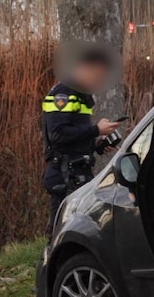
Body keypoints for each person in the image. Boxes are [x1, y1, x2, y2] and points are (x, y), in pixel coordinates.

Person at [42, 46, 121, 233]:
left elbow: (72, 136)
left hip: (76, 171)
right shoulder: (63, 93)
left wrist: (96, 145)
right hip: (65, 174)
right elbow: (58, 135)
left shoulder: (78, 94)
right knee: (63, 232)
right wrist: (95, 130)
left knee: (76, 230)